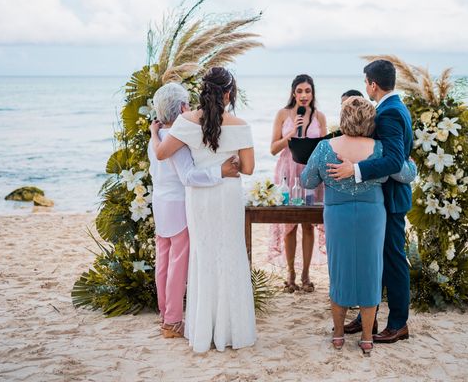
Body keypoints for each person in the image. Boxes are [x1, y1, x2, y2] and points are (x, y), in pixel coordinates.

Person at [150, 67, 256, 353]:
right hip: (228, 195)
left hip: (199, 198)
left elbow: (161, 153)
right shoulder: (241, 124)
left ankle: (202, 328)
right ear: (229, 93)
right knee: (231, 254)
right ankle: (232, 329)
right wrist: (225, 164)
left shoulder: (185, 121)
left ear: (203, 90)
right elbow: (247, 168)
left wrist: (153, 131)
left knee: (203, 256)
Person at [328, 59, 414, 344]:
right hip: (383, 198)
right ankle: (369, 318)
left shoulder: (389, 113)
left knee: (391, 261)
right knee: (374, 261)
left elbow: (392, 160)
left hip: (389, 200)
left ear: (372, 84)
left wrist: (355, 169)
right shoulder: (394, 107)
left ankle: (399, 323)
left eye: (366, 82)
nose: (366, 87)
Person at [268, 74, 327, 293]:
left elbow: (325, 147)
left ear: (313, 93)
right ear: (294, 93)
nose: (304, 95)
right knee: (289, 224)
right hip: (287, 171)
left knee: (308, 223)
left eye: (308, 91)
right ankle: (290, 273)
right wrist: (291, 134)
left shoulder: (319, 117)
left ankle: (306, 274)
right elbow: (273, 149)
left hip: (310, 171)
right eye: (300, 91)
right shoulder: (283, 114)